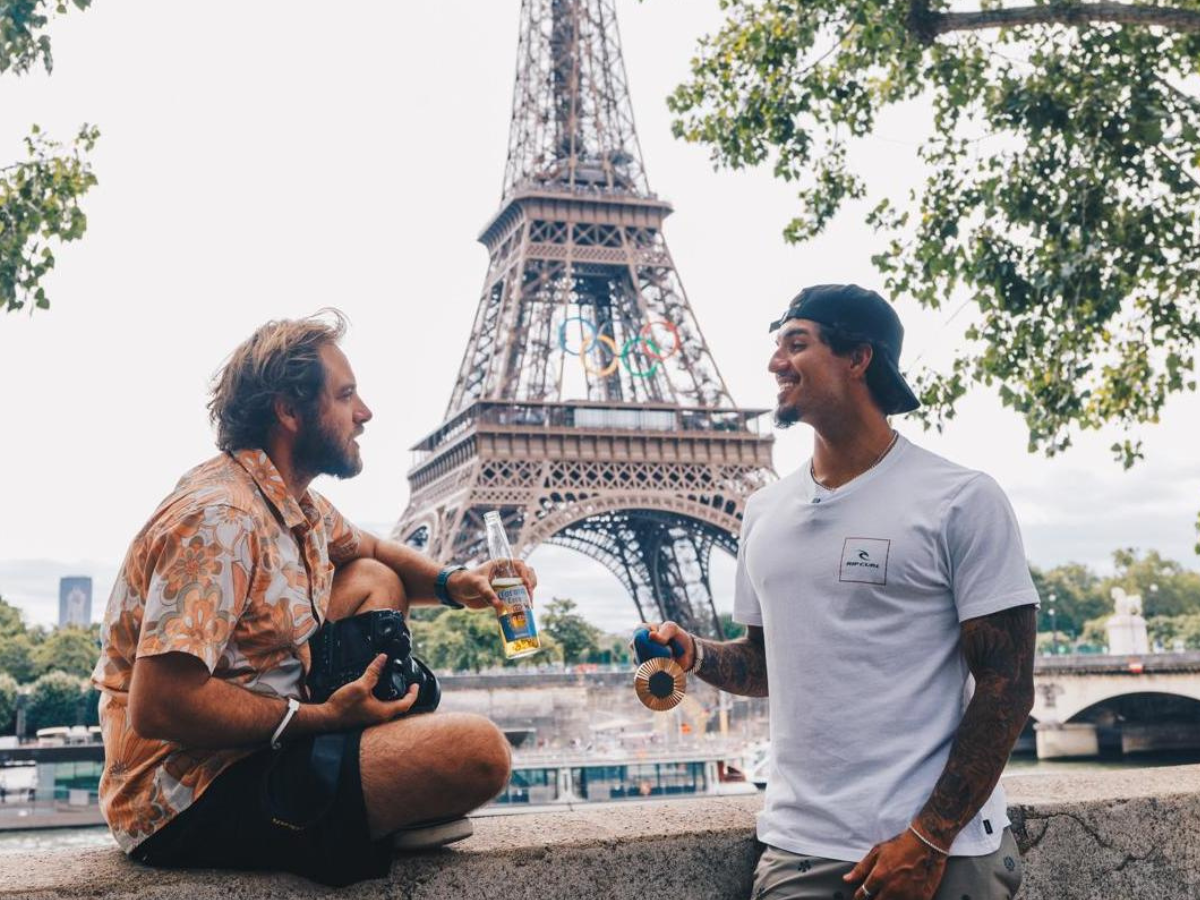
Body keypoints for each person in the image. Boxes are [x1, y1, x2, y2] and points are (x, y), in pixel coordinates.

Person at [91, 310, 535, 887]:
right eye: (346, 395)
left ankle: (358, 769)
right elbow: (161, 704)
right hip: (186, 793)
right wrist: (320, 717)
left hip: (262, 745)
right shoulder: (220, 519)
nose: (365, 413)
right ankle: (357, 786)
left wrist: (457, 584)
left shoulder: (291, 501)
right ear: (290, 410)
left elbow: (369, 546)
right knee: (479, 753)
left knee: (374, 574)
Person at [646, 285, 1037, 900]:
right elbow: (765, 663)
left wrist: (930, 838)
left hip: (940, 853)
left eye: (796, 344)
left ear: (859, 358)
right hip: (799, 847)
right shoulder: (763, 511)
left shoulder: (960, 498)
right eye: (777, 347)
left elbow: (1007, 685)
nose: (776, 362)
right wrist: (691, 652)